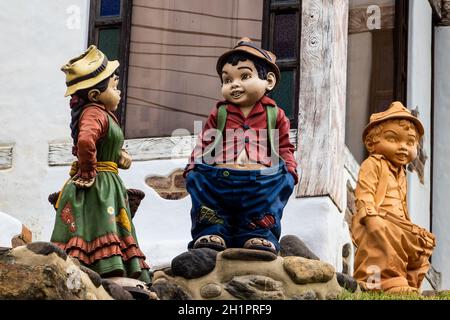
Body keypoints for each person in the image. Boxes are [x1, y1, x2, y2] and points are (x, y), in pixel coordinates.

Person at [184, 37, 298, 254]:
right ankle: (212, 232)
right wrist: (192, 168)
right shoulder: (220, 113)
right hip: (220, 178)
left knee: (262, 208)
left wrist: (290, 172)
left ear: (269, 81)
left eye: (245, 76)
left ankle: (258, 235)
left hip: (262, 180)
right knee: (209, 203)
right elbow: (205, 142)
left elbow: (284, 147)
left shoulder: (275, 115)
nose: (234, 84)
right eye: (227, 80)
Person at [50, 45, 150, 283]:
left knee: (106, 222)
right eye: (114, 86)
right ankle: (105, 268)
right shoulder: (95, 113)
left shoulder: (102, 114)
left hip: (108, 180)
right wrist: (87, 171)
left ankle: (109, 269)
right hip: (99, 184)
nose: (119, 91)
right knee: (99, 224)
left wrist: (118, 154)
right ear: (95, 95)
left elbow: (100, 141)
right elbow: (86, 140)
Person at [351, 101, 436, 294]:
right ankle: (379, 282)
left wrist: (410, 227)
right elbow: (364, 193)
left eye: (410, 142)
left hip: (398, 223)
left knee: (423, 245)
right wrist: (370, 216)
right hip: (379, 217)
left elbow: (402, 206)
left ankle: (408, 282)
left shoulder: (401, 174)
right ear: (371, 143)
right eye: (393, 139)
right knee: (383, 244)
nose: (403, 148)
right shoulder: (373, 164)